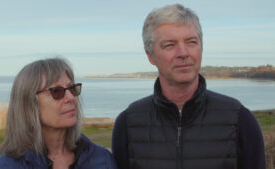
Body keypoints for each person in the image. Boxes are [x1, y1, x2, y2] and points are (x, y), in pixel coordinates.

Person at [112, 4, 265, 169]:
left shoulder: (240, 120)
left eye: (191, 42)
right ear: (150, 56)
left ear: (201, 47)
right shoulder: (127, 125)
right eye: (170, 45)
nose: (183, 53)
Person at [0, 58, 118, 169]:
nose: (70, 97)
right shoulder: (7, 166)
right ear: (29, 103)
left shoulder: (101, 160)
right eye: (57, 91)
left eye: (72, 88)